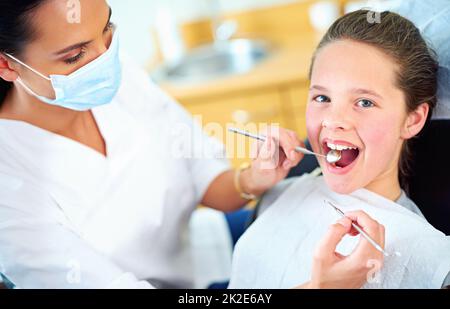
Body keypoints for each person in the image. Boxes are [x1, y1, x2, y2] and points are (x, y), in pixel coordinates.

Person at [0, 0, 385, 288]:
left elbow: (208, 182)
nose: (106, 60)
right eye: (75, 56)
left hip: (202, 255)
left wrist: (251, 179)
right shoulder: (11, 193)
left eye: (107, 29)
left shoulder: (119, 77)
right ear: (7, 65)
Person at [228, 10, 450, 289]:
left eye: (364, 102)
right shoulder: (283, 191)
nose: (333, 120)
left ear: (413, 119)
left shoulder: (429, 260)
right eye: (322, 97)